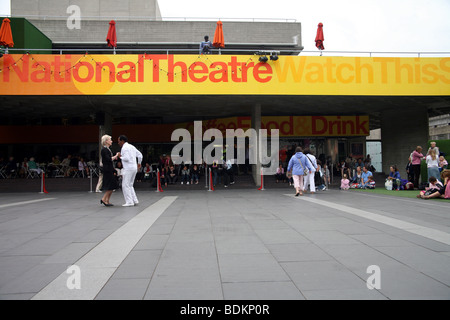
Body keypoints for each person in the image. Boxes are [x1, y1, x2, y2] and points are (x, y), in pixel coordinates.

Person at [118, 135, 143, 207]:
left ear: (122, 141)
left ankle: (129, 202)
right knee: (130, 185)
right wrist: (139, 163)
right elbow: (140, 155)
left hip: (128, 168)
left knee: (125, 185)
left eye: (119, 141)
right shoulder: (132, 146)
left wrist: (120, 157)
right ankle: (134, 200)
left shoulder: (124, 148)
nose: (118, 143)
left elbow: (126, 158)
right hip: (134, 167)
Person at [100, 135, 120, 206]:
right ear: (106, 141)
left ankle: (107, 200)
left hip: (110, 169)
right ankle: (104, 199)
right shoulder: (104, 150)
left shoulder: (107, 149)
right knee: (110, 185)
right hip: (107, 170)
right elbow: (108, 159)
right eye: (110, 140)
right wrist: (116, 156)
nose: (111, 141)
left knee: (112, 185)